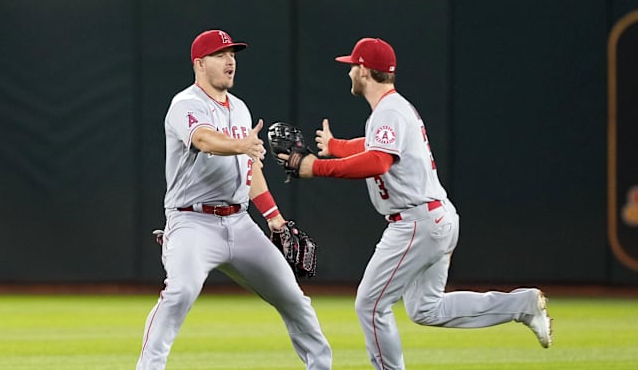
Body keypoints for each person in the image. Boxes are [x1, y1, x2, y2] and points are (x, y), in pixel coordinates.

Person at [277, 37, 553, 370]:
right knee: (427, 308)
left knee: (370, 304)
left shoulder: (390, 110)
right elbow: (374, 145)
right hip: (436, 217)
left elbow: (378, 161)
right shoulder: (392, 109)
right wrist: (336, 146)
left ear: (364, 70)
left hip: (416, 222)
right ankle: (521, 306)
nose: (349, 71)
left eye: (352, 66)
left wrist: (316, 167)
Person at [136, 29, 332, 370]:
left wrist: (274, 217)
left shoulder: (240, 109)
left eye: (233, 55)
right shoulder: (185, 104)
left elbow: (250, 170)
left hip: (239, 222)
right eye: (220, 55)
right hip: (192, 222)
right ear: (199, 63)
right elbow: (203, 139)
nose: (230, 61)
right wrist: (240, 145)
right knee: (179, 293)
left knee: (294, 299)